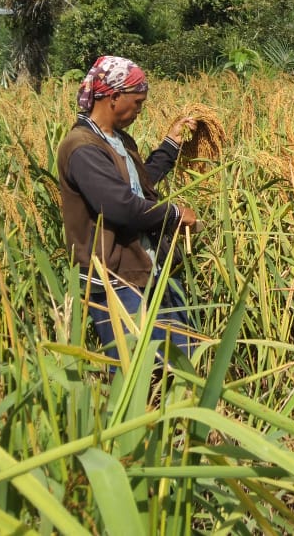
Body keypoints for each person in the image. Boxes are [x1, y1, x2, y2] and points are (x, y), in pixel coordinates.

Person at [57, 55, 200, 363]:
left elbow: (140, 184)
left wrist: (171, 145)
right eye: (137, 103)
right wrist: (175, 214)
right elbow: (121, 206)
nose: (139, 110)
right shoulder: (82, 147)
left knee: (182, 363)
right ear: (114, 96)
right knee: (135, 371)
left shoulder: (118, 140)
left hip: (148, 269)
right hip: (116, 280)